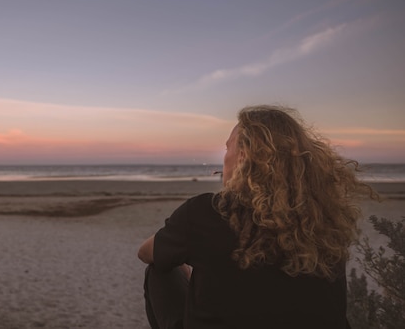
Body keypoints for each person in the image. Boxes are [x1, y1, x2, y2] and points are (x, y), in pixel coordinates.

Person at [138, 105, 377, 329]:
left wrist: (184, 257)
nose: (224, 157)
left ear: (243, 156)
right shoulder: (324, 220)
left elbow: (146, 252)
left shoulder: (208, 210)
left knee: (159, 271)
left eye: (227, 147)